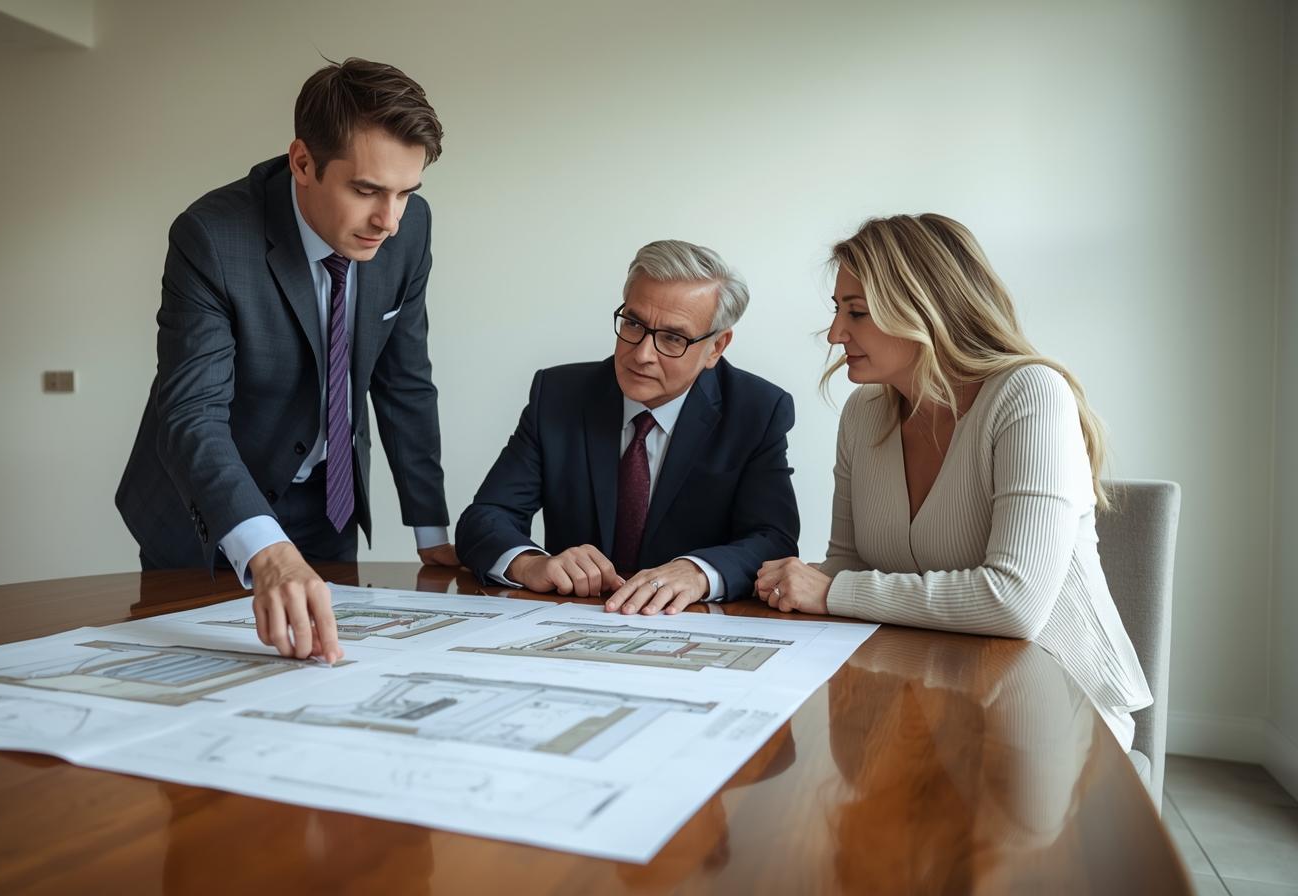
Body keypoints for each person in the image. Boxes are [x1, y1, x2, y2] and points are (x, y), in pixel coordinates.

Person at [754, 213, 1151, 749]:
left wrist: (832, 591)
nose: (835, 334)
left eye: (858, 313)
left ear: (924, 309)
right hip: (929, 689)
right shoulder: (863, 413)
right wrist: (795, 582)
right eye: (837, 310)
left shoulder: (1029, 395)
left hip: (1054, 704)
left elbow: (1014, 603)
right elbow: (848, 562)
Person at [116, 59, 457, 664]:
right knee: (192, 686)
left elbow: (404, 378)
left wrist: (431, 530)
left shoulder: (409, 228)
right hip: (210, 512)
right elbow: (192, 413)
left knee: (324, 676)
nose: (389, 220)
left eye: (407, 192)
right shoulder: (212, 237)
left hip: (331, 502)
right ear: (302, 162)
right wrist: (265, 549)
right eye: (366, 190)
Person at [457, 240, 799, 614]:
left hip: (692, 625)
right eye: (634, 324)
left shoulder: (756, 410)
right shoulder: (559, 395)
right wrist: (531, 564)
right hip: (574, 619)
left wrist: (700, 571)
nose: (641, 354)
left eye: (673, 338)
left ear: (717, 346)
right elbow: (486, 517)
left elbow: (773, 539)